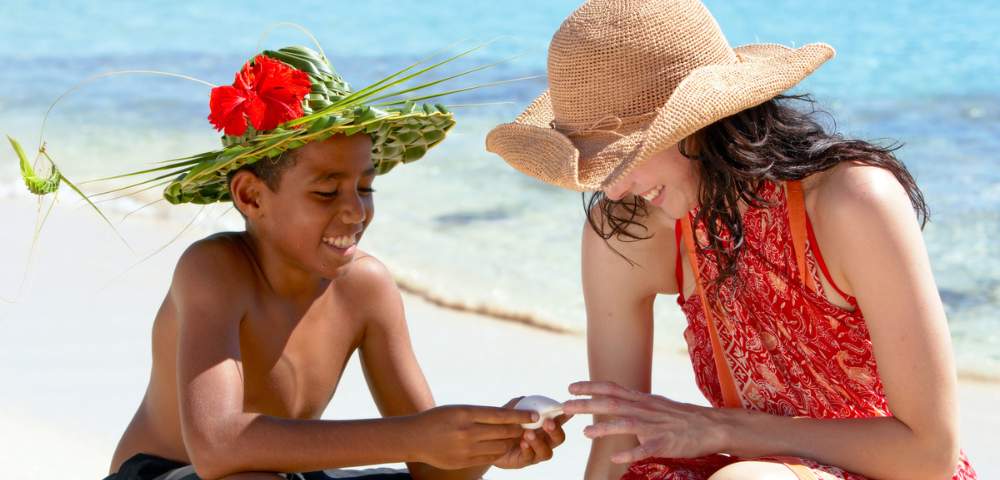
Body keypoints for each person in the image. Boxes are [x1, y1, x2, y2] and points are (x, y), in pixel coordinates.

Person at [12, 45, 569, 479]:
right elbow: (217, 447)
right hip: (168, 475)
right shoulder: (215, 270)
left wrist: (487, 444)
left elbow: (430, 467)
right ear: (251, 196)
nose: (354, 211)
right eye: (327, 193)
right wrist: (415, 436)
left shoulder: (366, 288)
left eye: (366, 188)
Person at [485, 1, 976, 479]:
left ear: (695, 124)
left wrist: (722, 428)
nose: (611, 188)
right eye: (598, 163)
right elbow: (615, 447)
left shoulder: (851, 201)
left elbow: (929, 456)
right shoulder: (626, 233)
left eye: (626, 155)